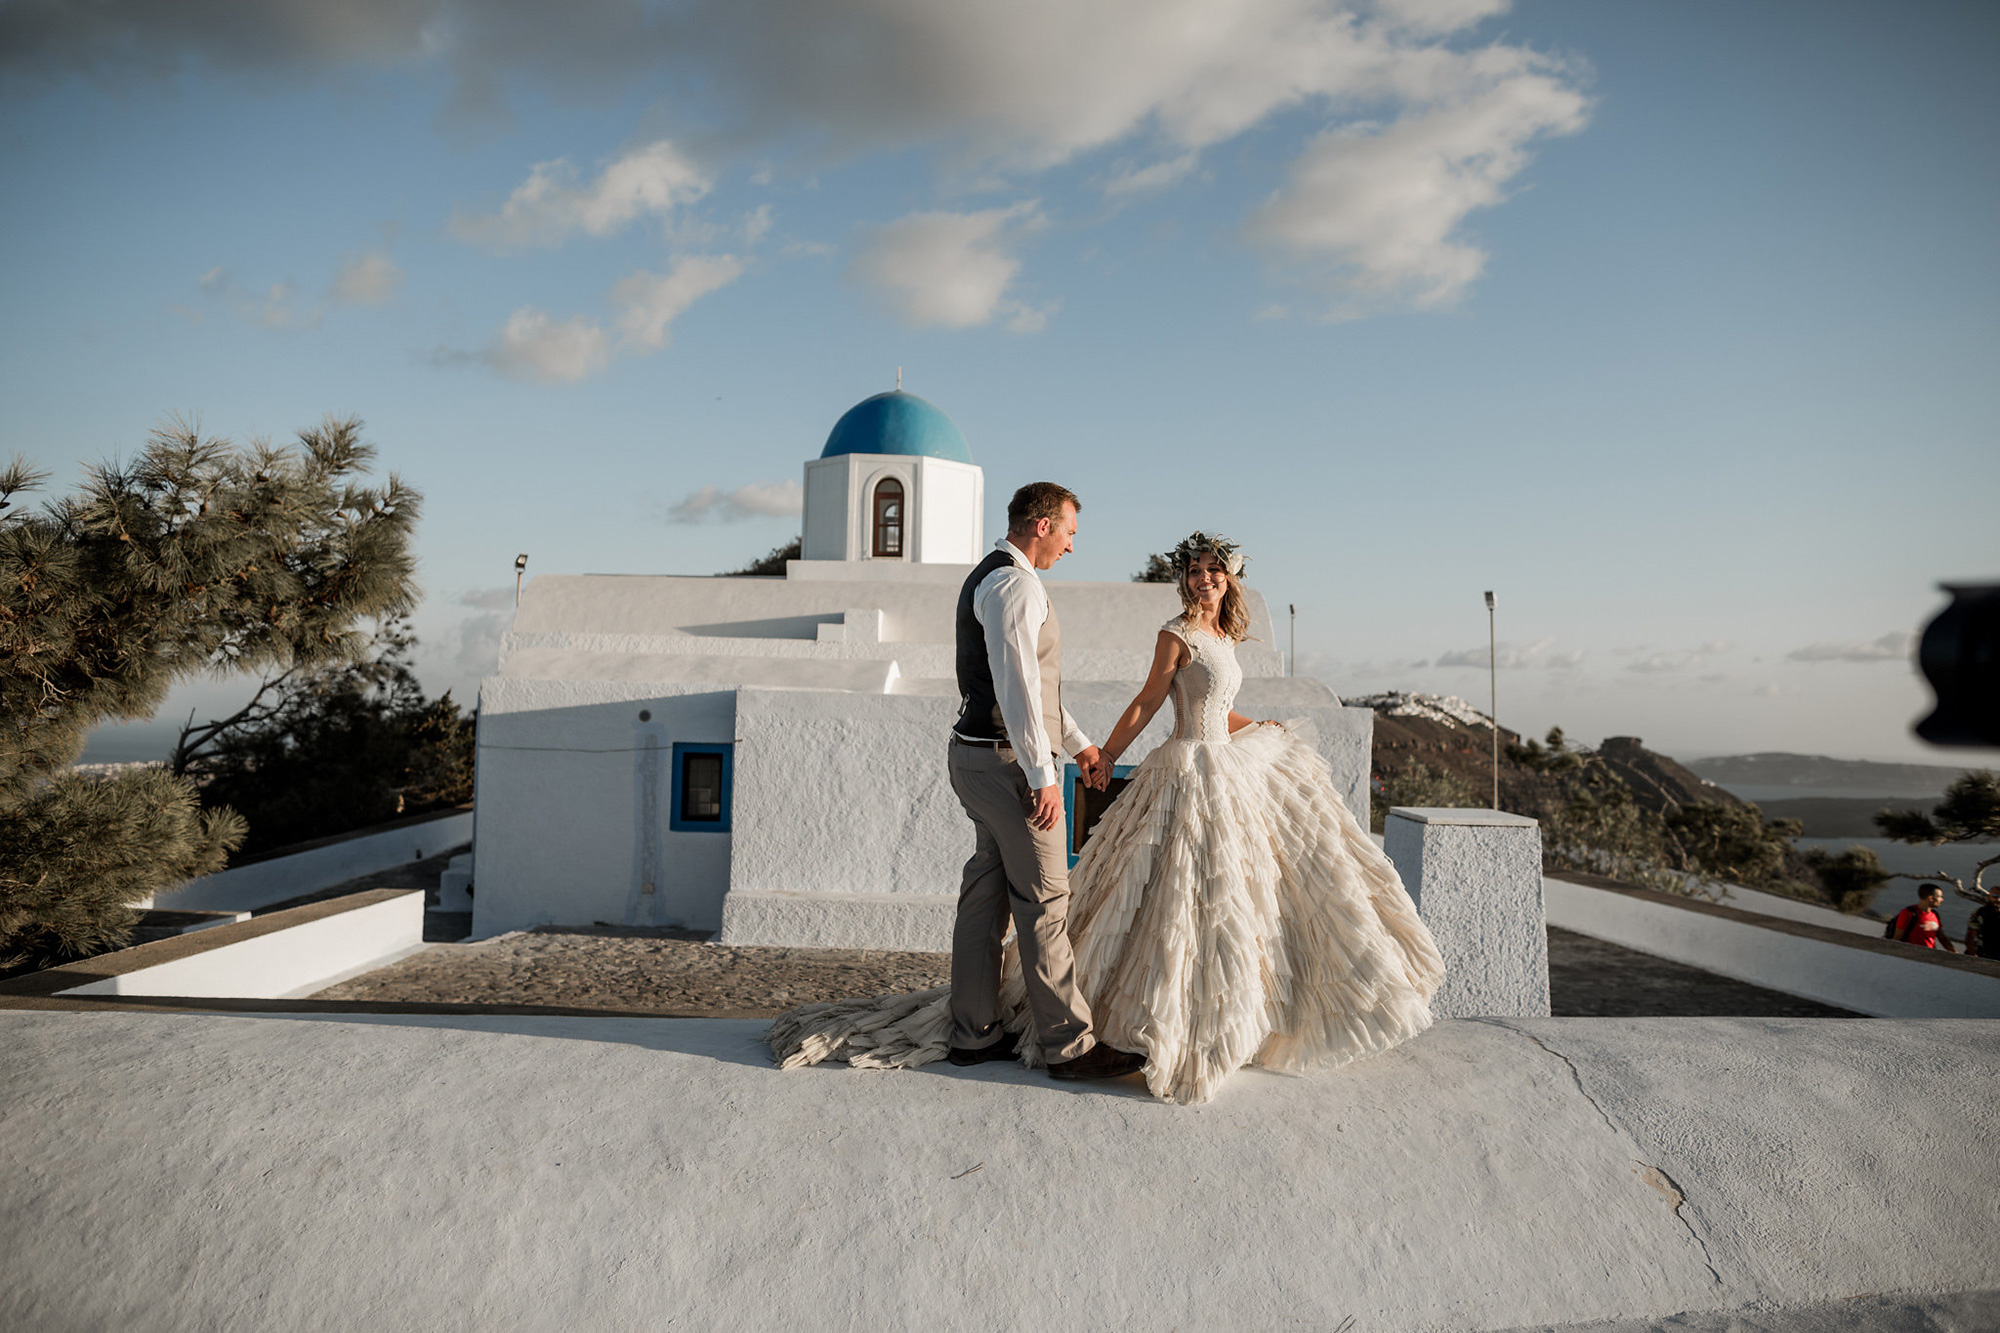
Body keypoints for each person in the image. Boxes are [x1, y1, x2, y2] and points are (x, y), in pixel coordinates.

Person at [768, 529, 1444, 1104]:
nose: (1203, 577)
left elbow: (1217, 707)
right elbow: (1151, 703)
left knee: (1235, 900)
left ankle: (1239, 1018)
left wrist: (1251, 723)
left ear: (1231, 580)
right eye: (1195, 569)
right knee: (1167, 898)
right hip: (1184, 773)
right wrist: (1106, 754)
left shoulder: (1225, 637)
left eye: (1214, 569)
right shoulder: (1175, 634)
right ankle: (1119, 1023)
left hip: (1225, 769)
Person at [1889, 884, 1958, 952]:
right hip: (1910, 955)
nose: (1942, 900)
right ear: (1930, 898)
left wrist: (1954, 952)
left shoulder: (1935, 915)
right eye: (1939, 897)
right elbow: (1897, 938)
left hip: (1929, 957)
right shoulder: (1909, 913)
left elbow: (1942, 937)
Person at [1967, 891, 1999, 959]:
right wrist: (1972, 953)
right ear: (1989, 896)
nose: (1998, 899)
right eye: (1995, 896)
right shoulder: (1981, 912)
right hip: (1983, 952)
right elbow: (1970, 935)